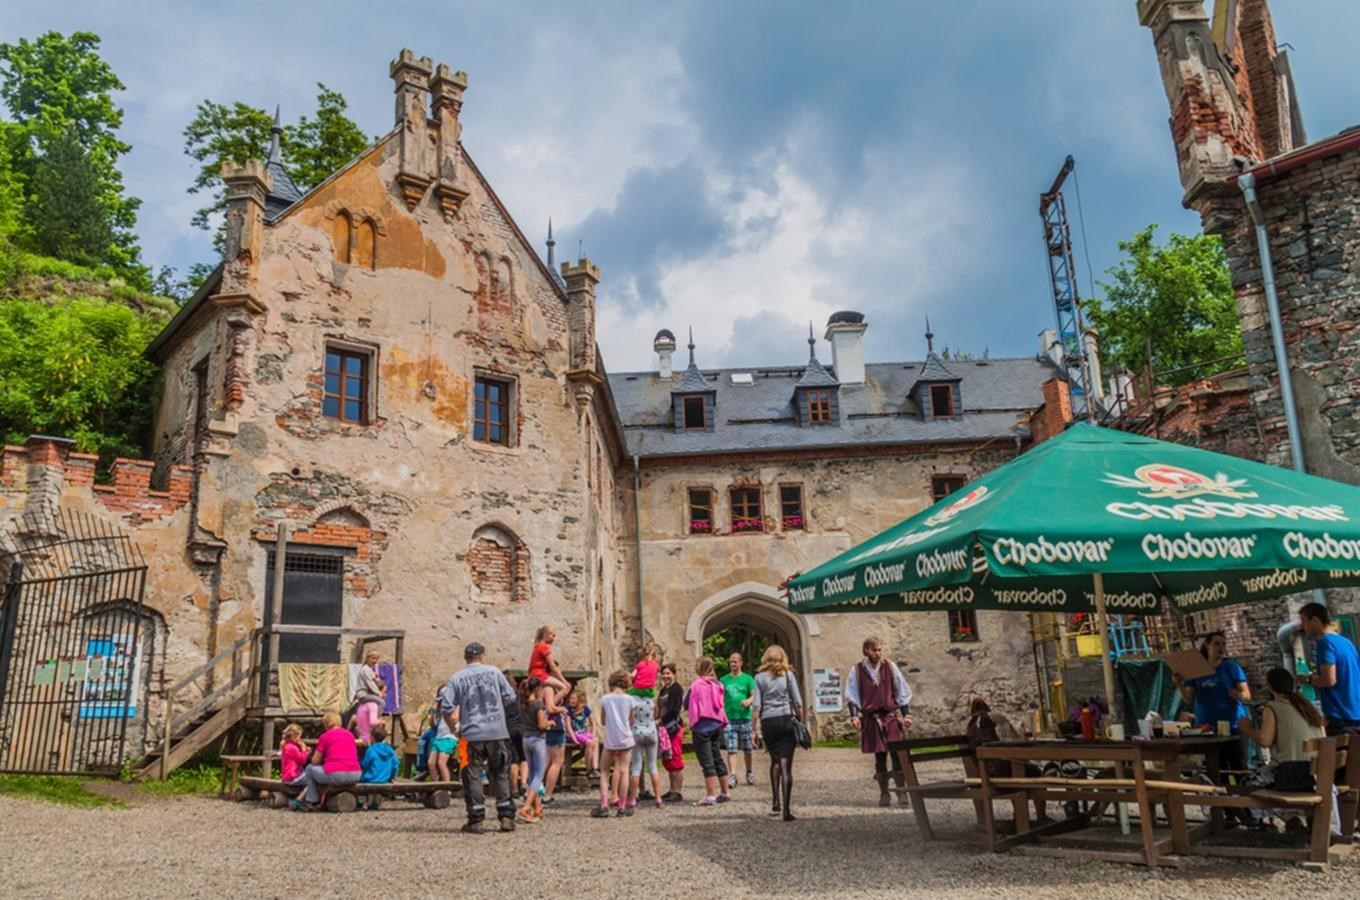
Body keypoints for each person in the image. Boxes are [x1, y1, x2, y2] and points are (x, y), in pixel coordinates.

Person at [1240, 667, 1334, 833]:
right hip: (1317, 774)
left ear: (1270, 686)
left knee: (1249, 785)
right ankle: (1311, 817)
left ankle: (1289, 818)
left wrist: (1247, 729)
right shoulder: (1307, 707)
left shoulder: (1273, 707)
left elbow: (1264, 740)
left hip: (1291, 774)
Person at [440, 641, 518, 834]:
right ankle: (506, 817)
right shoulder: (495, 672)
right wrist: (496, 710)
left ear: (465, 657)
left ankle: (476, 819)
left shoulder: (457, 678)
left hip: (472, 733)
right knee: (501, 773)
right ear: (482, 656)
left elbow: (446, 707)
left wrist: (455, 728)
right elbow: (510, 696)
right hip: (497, 731)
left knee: (473, 775)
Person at [845, 636, 913, 807]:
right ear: (866, 651)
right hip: (872, 718)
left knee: (896, 754)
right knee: (880, 756)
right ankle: (884, 793)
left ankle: (902, 792)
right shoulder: (857, 670)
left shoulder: (890, 667)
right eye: (874, 650)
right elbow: (852, 695)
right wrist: (854, 716)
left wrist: (906, 715)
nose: (878, 653)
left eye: (880, 649)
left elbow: (901, 691)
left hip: (890, 717)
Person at [1172, 631, 1251, 771]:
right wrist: (1179, 684)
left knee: (1239, 767)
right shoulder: (1196, 669)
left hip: (1233, 725)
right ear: (1208, 646)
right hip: (1207, 728)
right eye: (1217, 644)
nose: (1221, 647)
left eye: (1223, 644)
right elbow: (1189, 699)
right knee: (1215, 768)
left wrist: (1238, 694)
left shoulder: (1231, 667)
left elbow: (1247, 695)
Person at [752, 645, 802, 822]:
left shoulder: (759, 678)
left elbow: (756, 707)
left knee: (774, 761)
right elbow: (798, 702)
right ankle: (786, 810)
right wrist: (800, 722)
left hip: (769, 722)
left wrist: (754, 730)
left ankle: (775, 800)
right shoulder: (788, 675)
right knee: (786, 765)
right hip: (786, 720)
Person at [1297, 603, 1360, 737]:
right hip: (1355, 710)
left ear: (1315, 620)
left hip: (1340, 715)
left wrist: (1307, 679)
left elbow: (1329, 680)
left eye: (1304, 621)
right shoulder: (1346, 642)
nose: (1302, 626)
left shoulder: (1325, 643)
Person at [293, 711, 362, 811]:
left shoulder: (325, 736)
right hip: (355, 774)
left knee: (309, 769)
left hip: (336, 774)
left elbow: (315, 761)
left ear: (326, 724)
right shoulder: (350, 735)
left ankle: (312, 800)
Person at [686, 656, 731, 807]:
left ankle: (711, 795)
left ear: (702, 667)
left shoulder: (696, 685)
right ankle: (725, 792)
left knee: (707, 761)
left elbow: (686, 703)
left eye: (697, 665)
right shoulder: (718, 684)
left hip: (702, 726)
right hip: (716, 724)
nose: (695, 667)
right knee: (717, 757)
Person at [594, 669, 636, 817]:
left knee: (604, 771)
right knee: (624, 771)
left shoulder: (605, 699)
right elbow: (631, 720)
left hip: (610, 739)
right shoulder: (630, 699)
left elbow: (603, 721)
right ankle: (622, 806)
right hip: (625, 739)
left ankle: (604, 804)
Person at [720, 652, 757, 788]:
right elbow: (719, 697)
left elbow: (754, 695)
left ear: (741, 663)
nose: (733, 664)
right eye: (731, 662)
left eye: (735, 662)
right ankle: (733, 775)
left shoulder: (748, 679)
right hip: (729, 718)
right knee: (731, 748)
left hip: (745, 718)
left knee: (748, 749)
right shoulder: (724, 680)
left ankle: (749, 772)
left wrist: (749, 701)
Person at [517, 676, 550, 824]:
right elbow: (541, 725)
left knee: (532, 774)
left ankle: (537, 807)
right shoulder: (538, 704)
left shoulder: (523, 704)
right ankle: (526, 807)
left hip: (526, 739)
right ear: (537, 689)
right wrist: (550, 723)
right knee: (539, 775)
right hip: (538, 740)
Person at [629, 683, 663, 810]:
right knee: (653, 767)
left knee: (636, 768)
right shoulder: (651, 698)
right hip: (651, 732)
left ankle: (633, 799)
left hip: (637, 733)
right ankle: (658, 798)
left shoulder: (632, 699)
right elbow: (656, 714)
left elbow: (630, 719)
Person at [657, 663, 686, 802]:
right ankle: (672, 789)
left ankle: (677, 791)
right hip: (664, 728)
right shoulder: (663, 690)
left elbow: (675, 709)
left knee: (675, 758)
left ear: (674, 674)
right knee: (668, 758)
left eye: (668, 673)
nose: (665, 676)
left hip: (673, 727)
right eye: (663, 673)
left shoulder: (676, 689)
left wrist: (661, 720)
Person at [529, 626, 569, 708]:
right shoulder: (544, 647)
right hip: (540, 675)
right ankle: (550, 708)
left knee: (541, 695)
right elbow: (553, 667)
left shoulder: (537, 646)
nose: (554, 639)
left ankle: (547, 707)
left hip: (533, 675)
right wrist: (564, 681)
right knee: (565, 688)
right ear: (545, 634)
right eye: (552, 635)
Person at [353, 649, 387, 745]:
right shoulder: (365, 670)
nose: (375, 661)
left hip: (366, 695)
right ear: (367, 658)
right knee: (382, 702)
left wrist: (377, 679)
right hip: (363, 695)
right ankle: (376, 719)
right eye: (373, 658)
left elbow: (374, 680)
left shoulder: (369, 670)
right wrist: (379, 694)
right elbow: (370, 683)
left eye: (376, 659)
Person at [502, 670, 527, 800]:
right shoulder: (519, 694)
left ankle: (514, 789)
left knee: (513, 760)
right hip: (522, 727)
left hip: (508, 728)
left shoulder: (502, 696)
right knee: (524, 758)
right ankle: (524, 782)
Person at [567, 690, 600, 775]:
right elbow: (568, 726)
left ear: (579, 700)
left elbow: (593, 723)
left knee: (595, 740)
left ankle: (595, 768)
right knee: (589, 742)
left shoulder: (585, 708)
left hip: (582, 733)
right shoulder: (568, 709)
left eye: (573, 699)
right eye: (570, 698)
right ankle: (589, 769)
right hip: (573, 734)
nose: (571, 700)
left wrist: (593, 735)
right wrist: (574, 739)